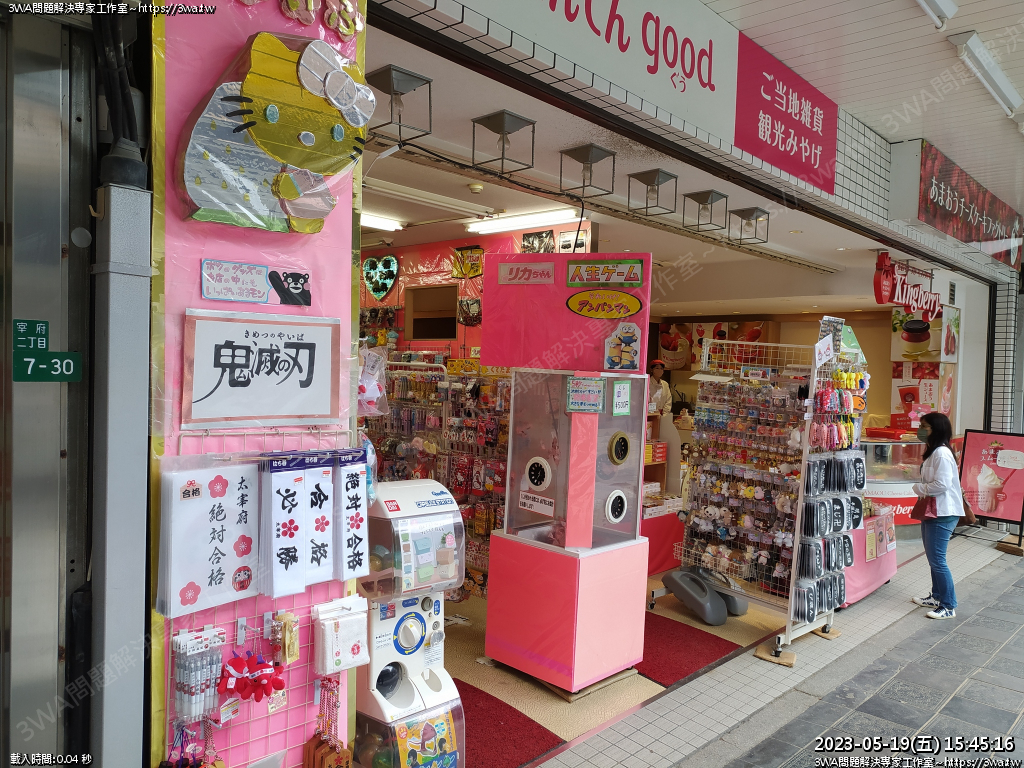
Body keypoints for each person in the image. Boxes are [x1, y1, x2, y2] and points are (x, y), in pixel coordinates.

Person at [911, 412, 964, 620]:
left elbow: (942, 484)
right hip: (934, 510)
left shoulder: (941, 453)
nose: (920, 430)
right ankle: (936, 596)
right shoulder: (935, 451)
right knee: (933, 559)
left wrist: (919, 488)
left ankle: (949, 605)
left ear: (936, 429)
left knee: (938, 561)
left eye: (924, 426)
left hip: (942, 512)